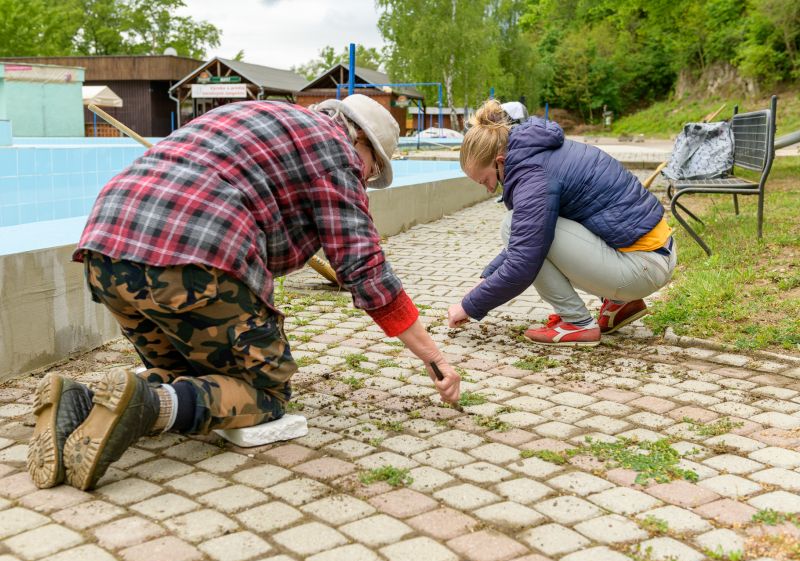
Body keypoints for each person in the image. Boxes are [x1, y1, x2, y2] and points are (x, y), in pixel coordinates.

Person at [28, 94, 461, 491]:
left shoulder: (258, 114)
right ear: (361, 141)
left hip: (106, 252)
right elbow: (365, 268)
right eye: (372, 169)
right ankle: (148, 406)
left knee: (194, 374)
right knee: (266, 394)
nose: (364, 180)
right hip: (193, 260)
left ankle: (79, 400)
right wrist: (433, 356)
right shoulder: (336, 152)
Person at [447, 99, 676, 346]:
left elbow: (524, 259)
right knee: (526, 232)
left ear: (500, 161)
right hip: (654, 255)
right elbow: (532, 235)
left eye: (485, 180)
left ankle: (577, 323)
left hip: (642, 267)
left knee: (511, 226)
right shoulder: (538, 152)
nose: (489, 189)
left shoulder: (533, 175)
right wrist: (488, 277)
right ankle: (620, 304)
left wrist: (468, 306)